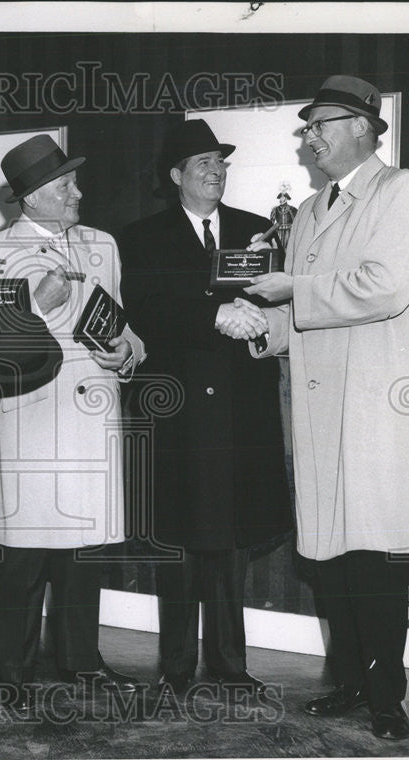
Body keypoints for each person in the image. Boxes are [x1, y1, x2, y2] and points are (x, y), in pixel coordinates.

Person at [244, 75, 409, 740]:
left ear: (363, 125)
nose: (308, 138)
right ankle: (350, 682)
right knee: (330, 557)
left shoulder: (403, 191)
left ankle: (387, 695)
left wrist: (291, 289)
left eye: (318, 125)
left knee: (376, 559)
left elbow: (382, 287)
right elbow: (307, 314)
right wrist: (261, 327)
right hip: (321, 412)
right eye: (305, 129)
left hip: (373, 411)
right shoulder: (309, 210)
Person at [118, 119, 294, 697]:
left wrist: (262, 321)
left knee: (234, 539)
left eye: (221, 163)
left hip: (243, 412)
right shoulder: (142, 237)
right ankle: (174, 668)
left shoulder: (255, 230)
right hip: (182, 411)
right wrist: (212, 315)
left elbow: (278, 300)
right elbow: (144, 310)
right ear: (176, 177)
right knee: (182, 541)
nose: (215, 172)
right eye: (202, 165)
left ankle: (228, 664)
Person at [0, 135, 146, 708]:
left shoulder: (103, 244)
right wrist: (35, 306)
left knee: (82, 556)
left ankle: (80, 663)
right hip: (32, 423)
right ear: (30, 199)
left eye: (74, 181)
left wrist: (128, 355)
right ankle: (14, 676)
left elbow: (123, 325)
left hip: (92, 419)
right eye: (64, 184)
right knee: (24, 560)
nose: (78, 191)